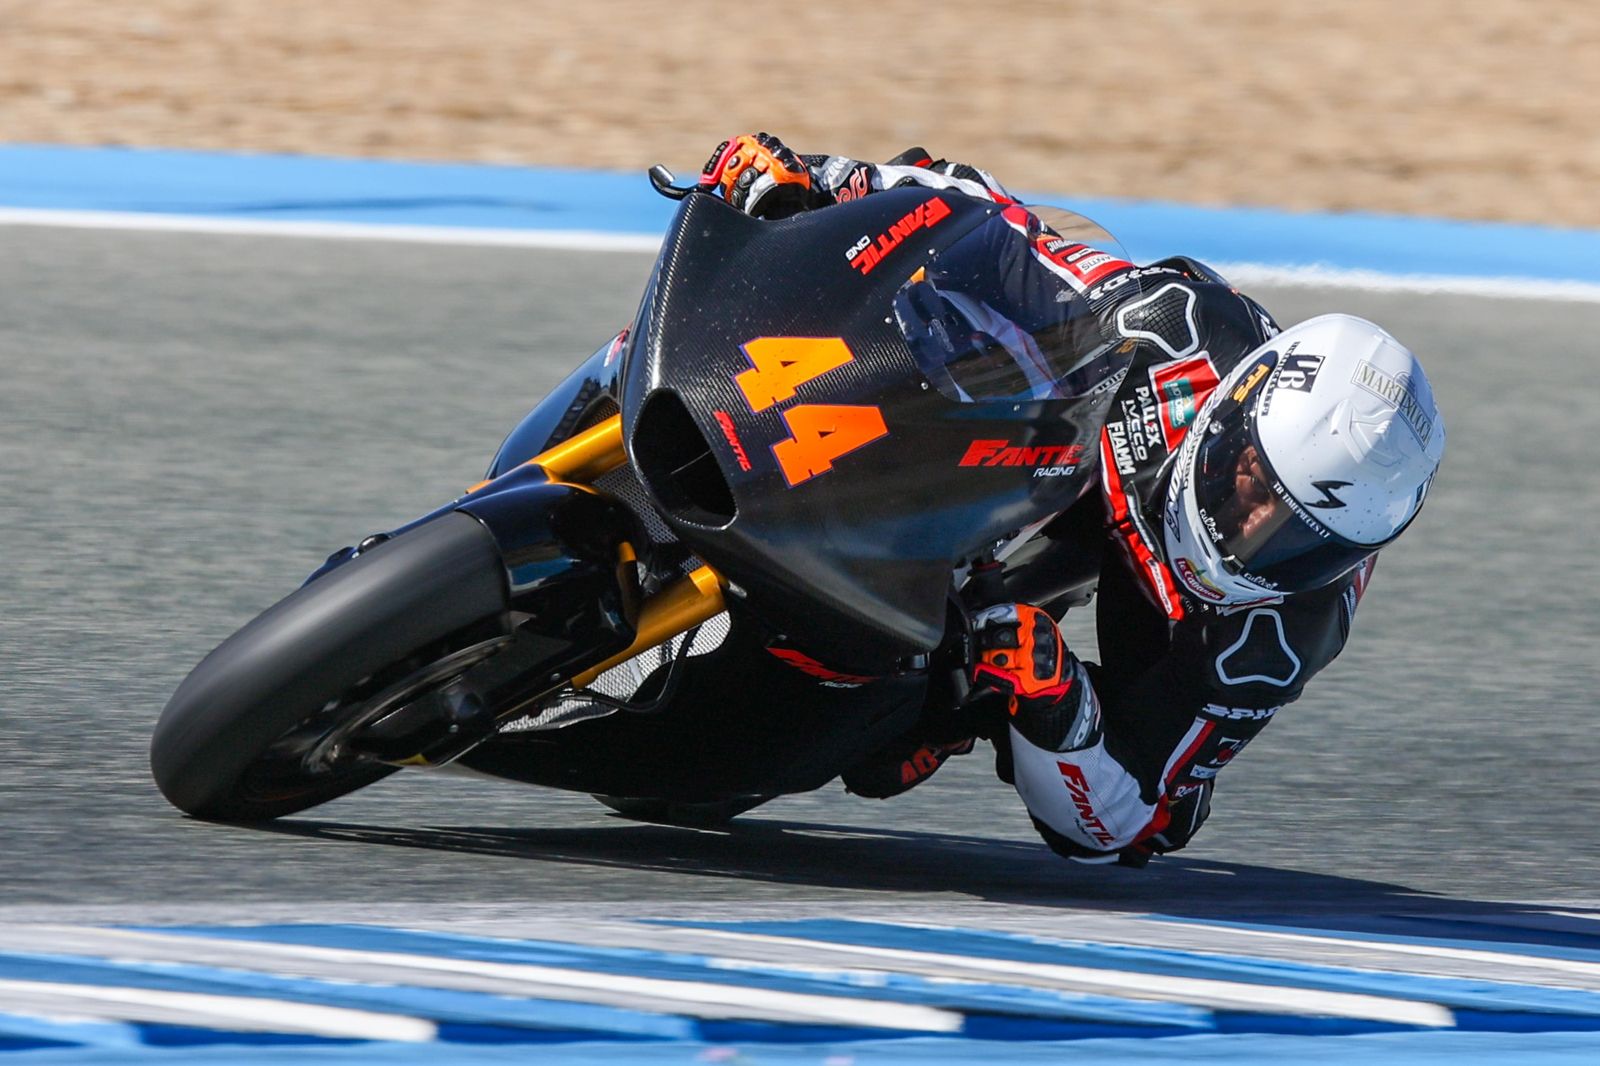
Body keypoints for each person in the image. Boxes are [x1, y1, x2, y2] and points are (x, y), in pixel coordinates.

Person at [698, 133, 1447, 866]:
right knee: (945, 279)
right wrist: (821, 182)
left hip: (1155, 616)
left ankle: (954, 698)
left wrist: (1058, 702)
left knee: (902, 739)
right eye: (1252, 484)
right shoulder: (1177, 328)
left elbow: (1133, 818)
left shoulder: (1278, 638)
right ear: (1233, 413)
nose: (1248, 531)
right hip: (1077, 425)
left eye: (1296, 540)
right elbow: (997, 227)